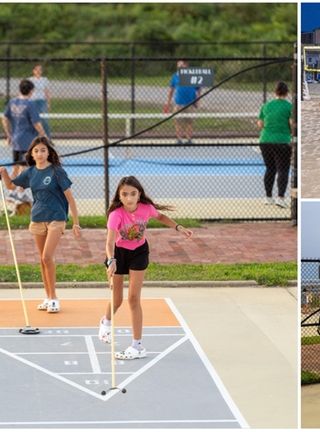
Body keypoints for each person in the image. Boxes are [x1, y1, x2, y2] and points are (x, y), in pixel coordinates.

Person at [98, 176, 193, 359]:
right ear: (119, 195)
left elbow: (161, 216)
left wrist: (178, 227)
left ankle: (137, 346)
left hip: (139, 252)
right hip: (118, 254)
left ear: (139, 194)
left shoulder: (146, 208)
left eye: (133, 194)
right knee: (117, 299)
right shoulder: (116, 214)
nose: (129, 198)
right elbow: (109, 243)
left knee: (133, 299)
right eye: (125, 194)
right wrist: (111, 260)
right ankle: (106, 321)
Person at [0, 137, 81, 313]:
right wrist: (4, 174)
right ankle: (47, 297)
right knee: (42, 260)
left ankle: (54, 298)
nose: (39, 154)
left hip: (57, 217)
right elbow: (11, 187)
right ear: (32, 154)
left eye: (43, 150)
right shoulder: (30, 173)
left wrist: (76, 222)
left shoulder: (57, 171)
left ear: (49, 152)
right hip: (37, 217)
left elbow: (70, 198)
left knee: (47, 257)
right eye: (36, 151)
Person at [2, 79, 47, 202]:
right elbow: (36, 123)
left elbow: (4, 118)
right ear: (31, 91)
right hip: (27, 140)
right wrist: (43, 136)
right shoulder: (29, 104)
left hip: (16, 140)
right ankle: (20, 194)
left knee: (16, 167)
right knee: (25, 168)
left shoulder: (12, 102)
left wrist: (8, 134)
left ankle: (11, 192)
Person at [256, 81, 294, 208]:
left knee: (270, 168)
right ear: (287, 92)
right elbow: (291, 123)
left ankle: (268, 197)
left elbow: (260, 124)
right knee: (283, 169)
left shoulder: (266, 106)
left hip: (265, 140)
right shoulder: (289, 107)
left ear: (275, 92)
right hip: (282, 141)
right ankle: (281, 197)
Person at [164, 60, 202, 145]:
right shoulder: (175, 76)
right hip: (178, 103)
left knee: (190, 122)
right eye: (178, 66)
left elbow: (198, 89)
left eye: (182, 65)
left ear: (186, 66)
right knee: (178, 121)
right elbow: (171, 91)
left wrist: (198, 100)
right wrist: (168, 102)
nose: (180, 67)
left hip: (190, 103)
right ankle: (179, 139)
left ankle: (189, 139)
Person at [28, 64, 52, 138]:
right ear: (33, 71)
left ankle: (48, 137)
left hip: (42, 102)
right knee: (33, 120)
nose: (38, 71)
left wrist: (48, 103)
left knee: (44, 120)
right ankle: (33, 137)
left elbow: (47, 92)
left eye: (40, 70)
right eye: (36, 69)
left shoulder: (44, 80)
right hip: (32, 101)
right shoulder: (30, 80)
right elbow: (27, 92)